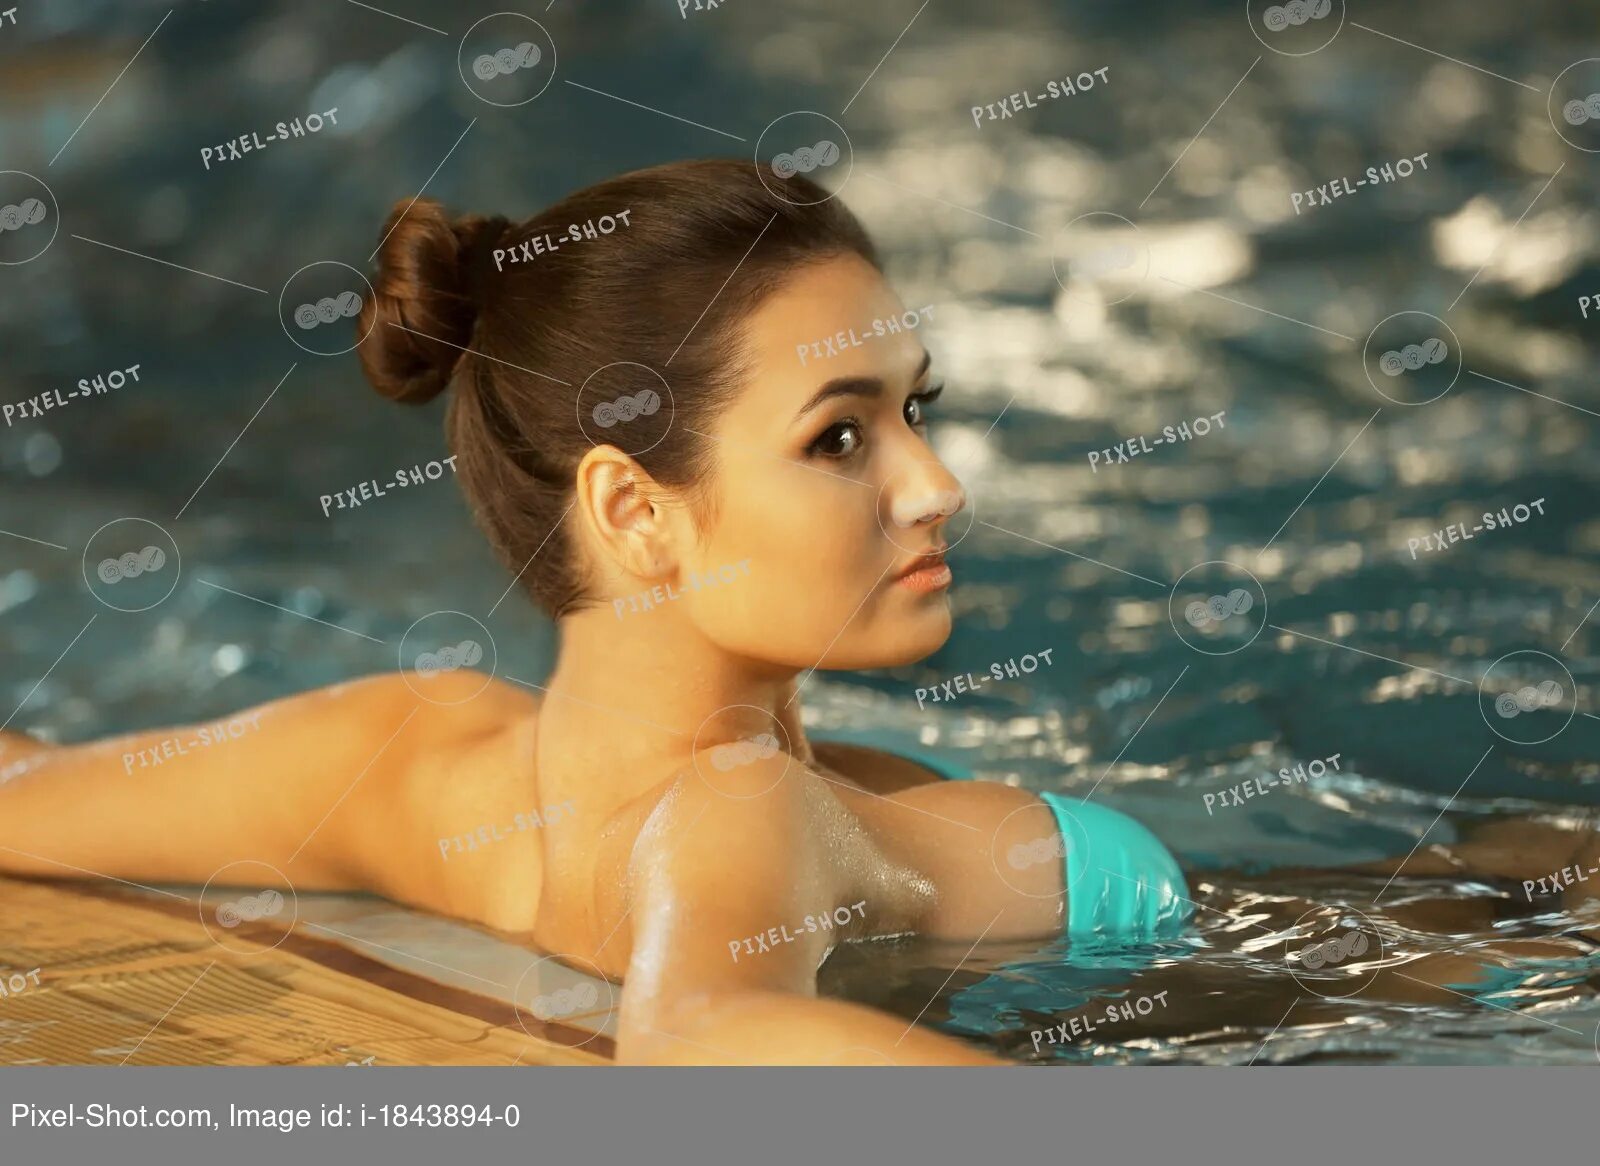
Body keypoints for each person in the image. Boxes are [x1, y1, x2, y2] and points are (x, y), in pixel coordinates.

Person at [0, 160, 1589, 1064]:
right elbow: (698, 1044)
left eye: (920, 409)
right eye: (843, 435)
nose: (939, 483)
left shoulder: (394, 750)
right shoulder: (741, 807)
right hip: (1364, 975)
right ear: (633, 508)